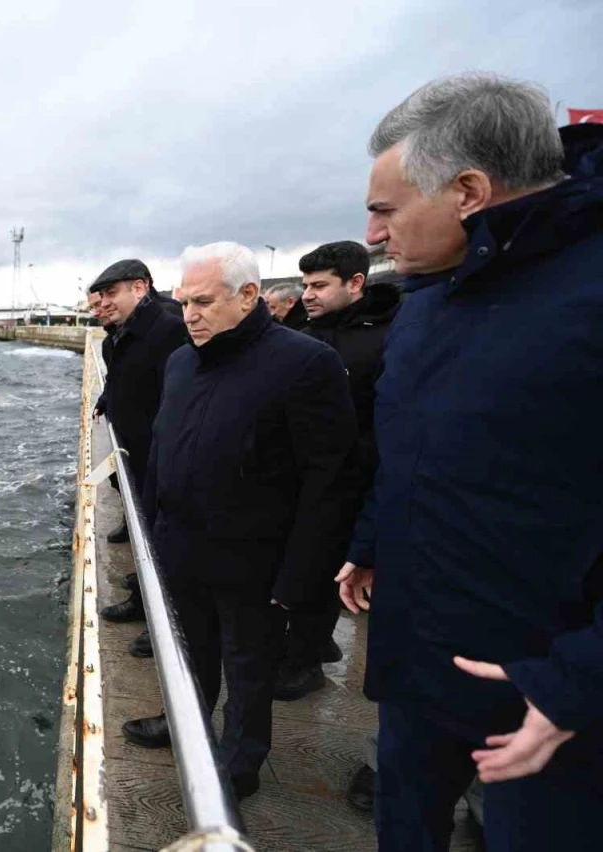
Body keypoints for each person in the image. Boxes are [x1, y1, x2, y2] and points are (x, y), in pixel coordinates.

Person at [336, 74, 603, 851]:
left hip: (550, 706)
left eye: (385, 210)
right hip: (419, 668)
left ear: (468, 191)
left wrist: (575, 683)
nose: (375, 236)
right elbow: (414, 445)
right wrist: (369, 543)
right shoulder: (429, 299)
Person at [123, 242, 357, 802]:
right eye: (183, 303)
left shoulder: (305, 364)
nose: (190, 315)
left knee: (249, 667)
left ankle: (241, 761)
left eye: (203, 302)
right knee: (189, 651)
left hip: (254, 558)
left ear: (248, 295)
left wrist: (300, 578)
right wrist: (152, 536)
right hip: (182, 546)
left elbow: (331, 479)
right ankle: (186, 724)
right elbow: (162, 450)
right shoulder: (181, 361)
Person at [274, 240, 402, 703]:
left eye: (319, 285)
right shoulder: (306, 332)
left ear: (355, 283)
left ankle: (304, 664)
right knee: (303, 564)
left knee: (326, 571)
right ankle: (311, 644)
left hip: (353, 480)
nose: (308, 294)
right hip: (302, 476)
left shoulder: (386, 337)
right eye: (305, 285)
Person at [88, 260, 187, 630]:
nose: (105, 304)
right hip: (137, 450)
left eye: (112, 294)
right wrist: (106, 400)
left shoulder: (168, 331)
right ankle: (144, 594)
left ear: (140, 288)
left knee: (161, 539)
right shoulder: (122, 331)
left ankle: (161, 622)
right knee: (147, 532)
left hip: (159, 454)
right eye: (101, 297)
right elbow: (121, 379)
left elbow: (175, 397)